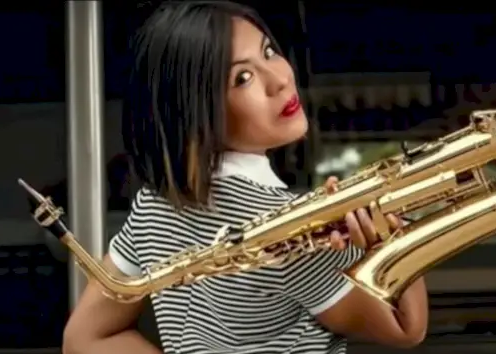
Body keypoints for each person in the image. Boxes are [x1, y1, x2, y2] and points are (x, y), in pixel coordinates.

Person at [61, 2, 428, 354]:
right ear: (196, 109)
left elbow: (86, 339)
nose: (279, 80)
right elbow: (405, 327)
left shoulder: (155, 205)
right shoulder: (291, 227)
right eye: (243, 77)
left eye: (268, 52)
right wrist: (391, 236)